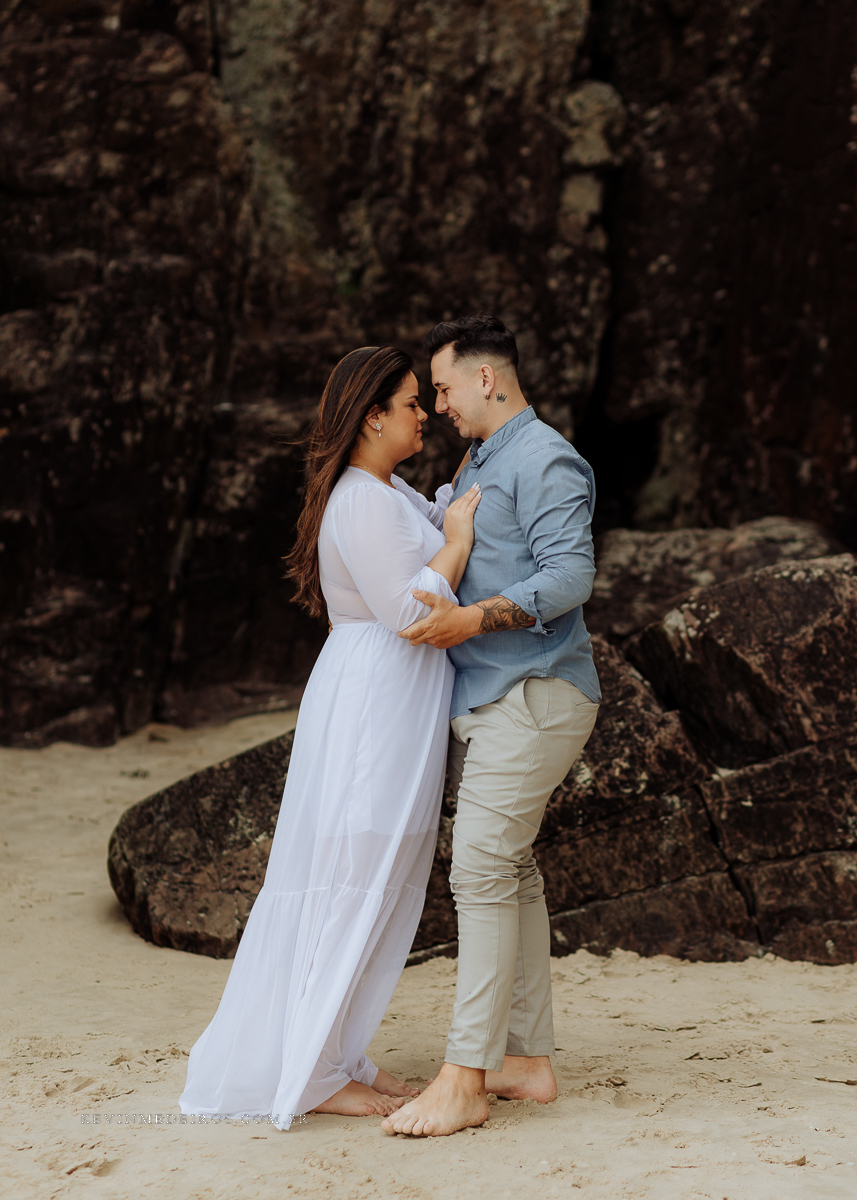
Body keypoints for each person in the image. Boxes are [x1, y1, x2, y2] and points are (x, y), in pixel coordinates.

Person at [179, 346, 481, 1129]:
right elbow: (413, 615)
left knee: (376, 880)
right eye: (413, 403)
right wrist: (454, 539)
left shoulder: (383, 492)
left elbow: (441, 510)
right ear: (372, 415)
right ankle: (315, 1070)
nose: (424, 415)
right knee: (351, 876)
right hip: (372, 707)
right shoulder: (361, 500)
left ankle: (336, 1053)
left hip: (390, 703)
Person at [382, 313, 601, 1138]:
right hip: (495, 699)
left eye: (441, 387)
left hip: (535, 694)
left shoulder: (544, 456)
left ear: (485, 378)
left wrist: (470, 621)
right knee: (510, 873)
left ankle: (465, 1077)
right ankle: (527, 1061)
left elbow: (572, 574)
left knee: (476, 871)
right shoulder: (482, 456)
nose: (436, 404)